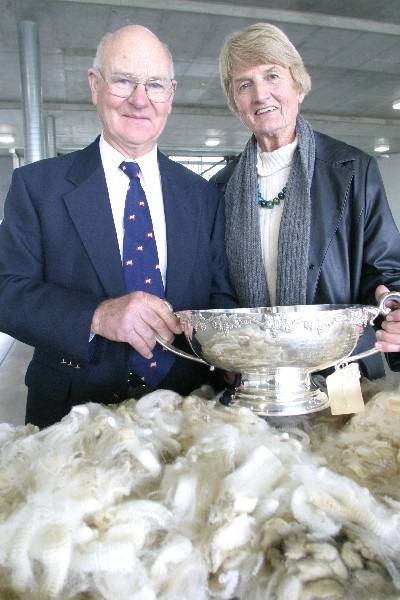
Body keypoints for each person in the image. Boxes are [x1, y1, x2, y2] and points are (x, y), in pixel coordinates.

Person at [0, 25, 236, 428]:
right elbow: (6, 289)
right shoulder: (38, 186)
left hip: (187, 412)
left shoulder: (202, 196)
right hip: (69, 416)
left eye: (154, 85)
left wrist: (223, 344)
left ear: (171, 94)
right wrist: (96, 316)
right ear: (95, 85)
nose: (139, 100)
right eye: (123, 81)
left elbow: (221, 295)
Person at [211, 22, 400, 381]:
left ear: (297, 83)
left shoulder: (352, 171)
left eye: (272, 76)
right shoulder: (220, 188)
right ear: (236, 102)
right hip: (252, 380)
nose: (261, 94)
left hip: (342, 373)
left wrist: (394, 301)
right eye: (244, 84)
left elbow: (388, 270)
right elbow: (216, 289)